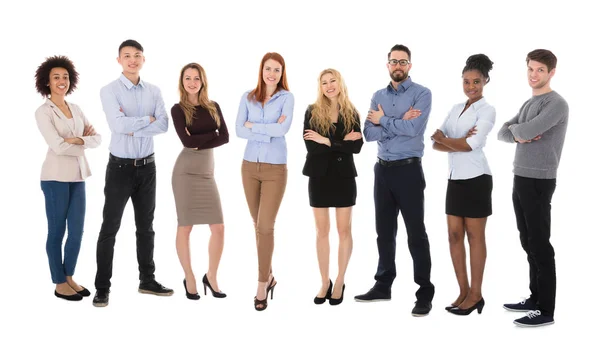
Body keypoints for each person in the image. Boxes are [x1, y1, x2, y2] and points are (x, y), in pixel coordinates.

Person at [355, 44, 435, 317]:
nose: (398, 66)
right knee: (384, 232)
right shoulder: (378, 94)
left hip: (409, 171)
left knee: (416, 233)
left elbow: (414, 129)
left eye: (403, 61)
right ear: (387, 65)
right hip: (383, 171)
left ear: (410, 65)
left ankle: (424, 292)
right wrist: (397, 120)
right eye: (393, 61)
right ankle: (383, 284)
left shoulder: (422, 94)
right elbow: (368, 132)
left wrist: (385, 120)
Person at [93, 39, 172, 307]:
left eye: (137, 55)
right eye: (127, 56)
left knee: (146, 228)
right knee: (109, 228)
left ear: (144, 59)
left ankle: (147, 280)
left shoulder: (154, 90)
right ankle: (102, 287)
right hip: (120, 168)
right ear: (119, 60)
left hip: (148, 167)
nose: (132, 60)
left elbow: (163, 125)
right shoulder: (109, 90)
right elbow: (116, 125)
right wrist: (145, 121)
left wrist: (134, 125)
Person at [498, 49, 568, 327]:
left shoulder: (557, 104)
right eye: (530, 69)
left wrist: (520, 132)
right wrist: (520, 132)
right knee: (527, 240)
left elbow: (521, 132)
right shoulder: (530, 102)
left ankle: (546, 310)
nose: (534, 75)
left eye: (540, 70)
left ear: (551, 72)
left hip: (540, 179)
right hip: (521, 177)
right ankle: (534, 297)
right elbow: (504, 132)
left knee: (540, 244)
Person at [431, 54, 495, 316]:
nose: (471, 86)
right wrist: (450, 141)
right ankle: (463, 290)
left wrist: (449, 140)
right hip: (454, 179)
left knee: (474, 236)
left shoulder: (487, 110)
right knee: (454, 235)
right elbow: (434, 142)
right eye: (467, 81)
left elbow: (472, 145)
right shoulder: (456, 108)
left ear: (485, 81)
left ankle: (477, 294)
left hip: (477, 179)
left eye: (476, 81)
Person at [35, 55, 102, 301]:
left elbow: (98, 139)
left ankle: (69, 275)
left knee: (77, 231)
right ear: (47, 82)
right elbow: (57, 146)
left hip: (78, 176)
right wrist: (82, 141)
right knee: (56, 231)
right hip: (54, 179)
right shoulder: (43, 112)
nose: (61, 81)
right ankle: (59, 281)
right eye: (56, 77)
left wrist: (76, 140)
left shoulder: (76, 108)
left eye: (65, 77)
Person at [235, 52, 294, 311]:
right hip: (249, 167)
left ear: (282, 74)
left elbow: (283, 129)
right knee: (256, 224)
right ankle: (268, 274)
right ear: (261, 70)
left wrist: (254, 125)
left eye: (277, 70)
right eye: (268, 69)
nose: (272, 74)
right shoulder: (247, 97)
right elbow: (238, 130)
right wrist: (268, 126)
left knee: (266, 226)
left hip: (274, 169)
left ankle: (261, 284)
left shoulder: (287, 98)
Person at [302, 69, 363, 306]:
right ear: (320, 86)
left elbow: (357, 147)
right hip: (319, 176)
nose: (329, 86)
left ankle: (339, 280)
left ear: (340, 83)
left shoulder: (351, 112)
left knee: (344, 231)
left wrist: (327, 140)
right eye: (324, 82)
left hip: (344, 177)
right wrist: (341, 143)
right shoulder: (312, 111)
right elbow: (311, 147)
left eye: (332, 81)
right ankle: (324, 281)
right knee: (322, 231)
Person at [171, 63, 229, 300]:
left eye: (196, 78)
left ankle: (212, 276)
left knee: (219, 228)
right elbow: (186, 142)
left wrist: (200, 139)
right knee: (185, 227)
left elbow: (225, 137)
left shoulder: (213, 107)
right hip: (184, 174)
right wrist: (210, 136)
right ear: (182, 82)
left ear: (202, 81)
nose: (192, 82)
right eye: (188, 78)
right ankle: (190, 277)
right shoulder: (178, 109)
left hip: (207, 174)